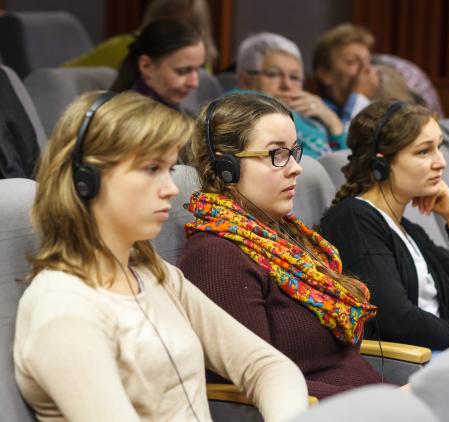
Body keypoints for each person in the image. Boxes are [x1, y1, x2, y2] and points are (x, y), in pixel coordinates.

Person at [13, 91, 308, 421]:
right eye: (152, 168)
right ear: (86, 181)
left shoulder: (156, 275)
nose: (170, 188)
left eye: (169, 169)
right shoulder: (64, 311)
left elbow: (267, 366)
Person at [177, 93, 383, 399]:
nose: (296, 168)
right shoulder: (215, 257)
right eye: (276, 154)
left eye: (294, 152)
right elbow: (258, 385)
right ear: (226, 168)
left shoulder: (287, 237)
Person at [320, 101, 449, 350]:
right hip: (408, 369)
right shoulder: (354, 220)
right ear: (382, 163)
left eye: (439, 147)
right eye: (424, 151)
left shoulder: (408, 230)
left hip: (440, 359)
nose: (441, 162)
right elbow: (397, 320)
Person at [236, 32, 346, 159]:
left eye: (294, 77)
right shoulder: (237, 108)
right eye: (274, 74)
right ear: (246, 80)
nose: (287, 84)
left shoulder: (311, 115)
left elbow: (347, 164)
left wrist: (332, 121)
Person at [63, 0, 218, 71]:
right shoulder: (123, 49)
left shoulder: (202, 58)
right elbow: (57, 78)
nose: (193, 83)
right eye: (182, 71)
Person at [110, 19, 205, 110]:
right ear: (146, 66)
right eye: (182, 71)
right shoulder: (122, 121)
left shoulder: (182, 111)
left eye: (198, 69)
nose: (194, 83)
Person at [312, 23, 380, 131]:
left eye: (368, 61)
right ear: (325, 74)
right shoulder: (315, 116)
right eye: (351, 61)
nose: (366, 68)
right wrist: (360, 97)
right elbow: (354, 145)